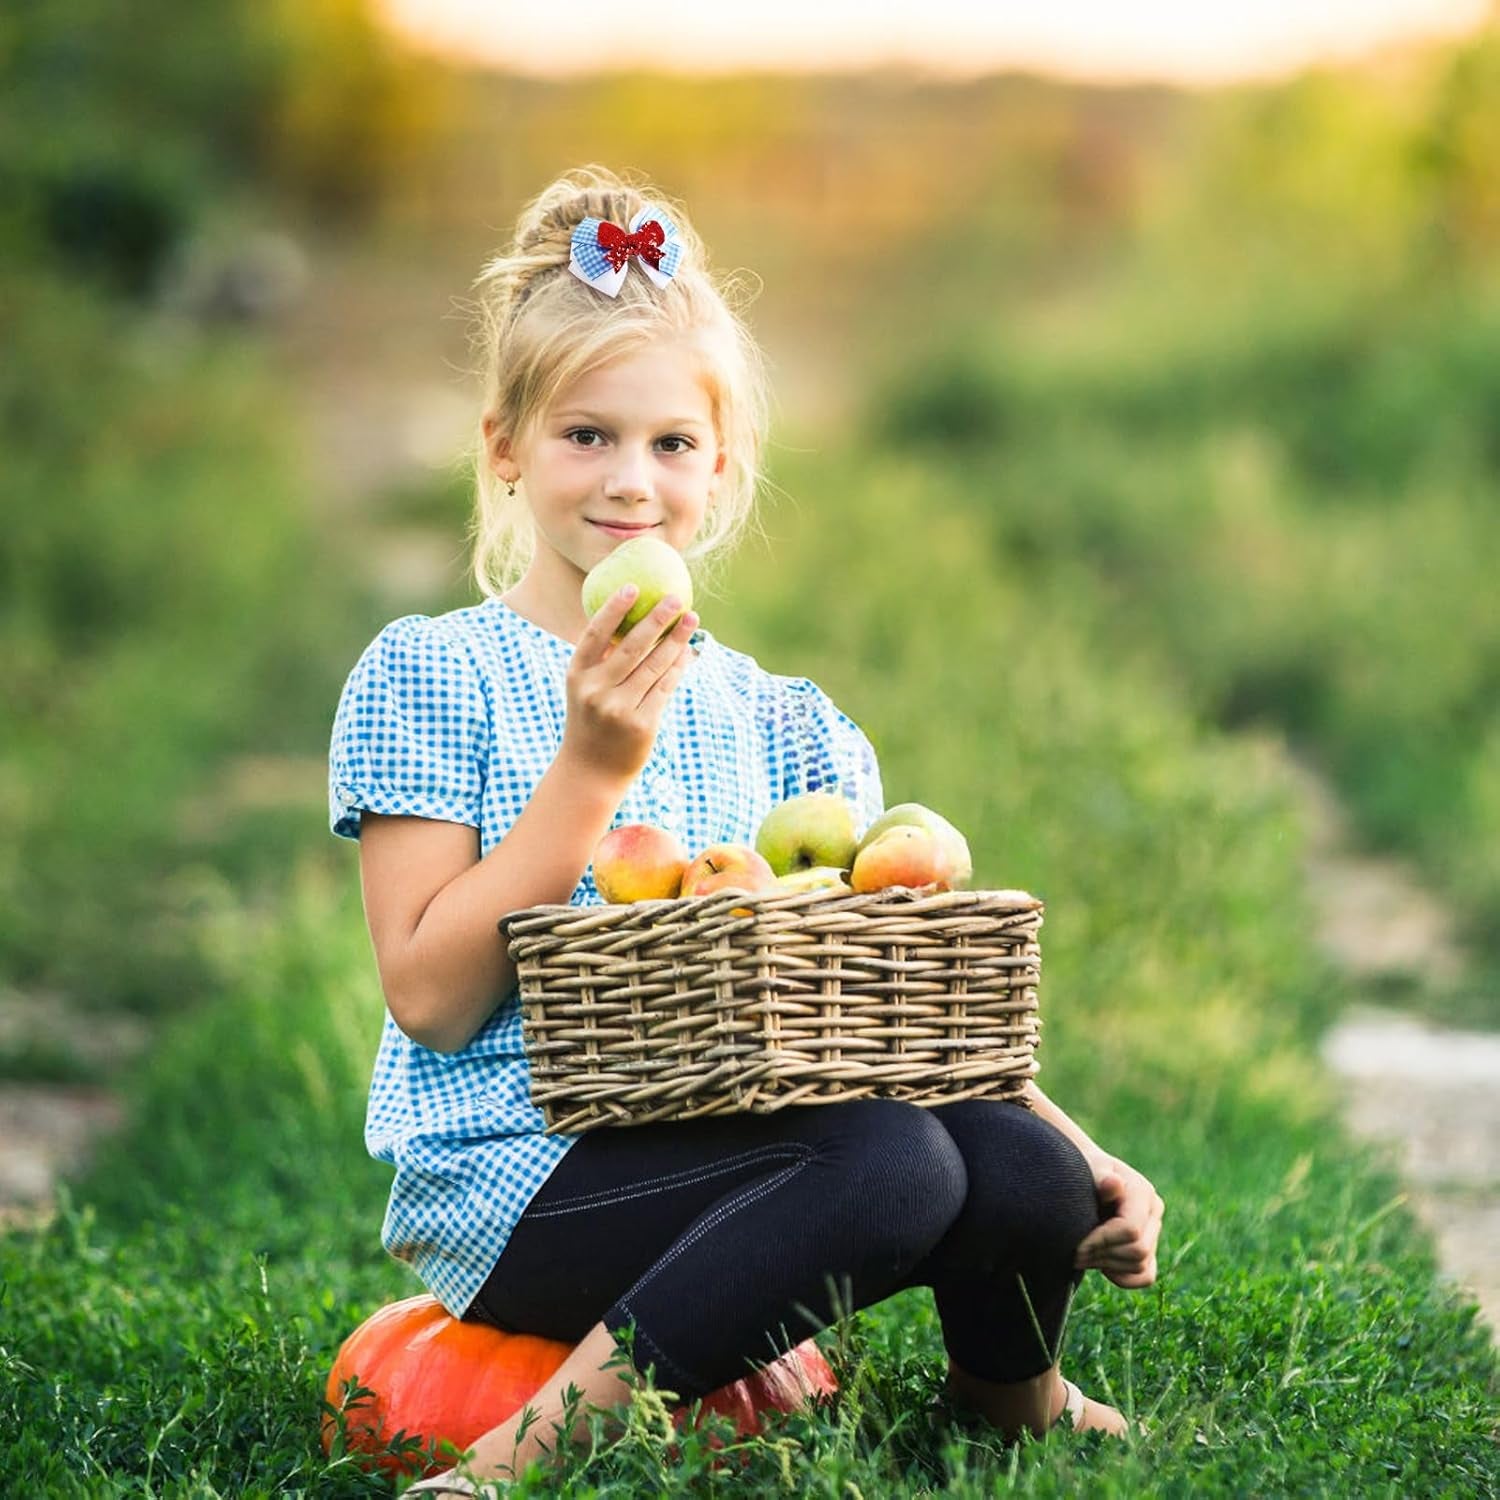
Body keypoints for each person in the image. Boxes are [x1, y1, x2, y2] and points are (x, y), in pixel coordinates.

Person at [327, 165, 1163, 1495]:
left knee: (1010, 1162)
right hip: (526, 1180)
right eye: (584, 436)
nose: (630, 483)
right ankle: (513, 1461)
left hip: (761, 1147)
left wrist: (1082, 1153)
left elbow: (887, 1007)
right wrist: (592, 769)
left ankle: (1015, 1396)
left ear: (722, 469)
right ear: (502, 447)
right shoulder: (437, 675)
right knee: (885, 1160)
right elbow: (430, 1000)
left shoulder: (790, 723)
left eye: (671, 444)